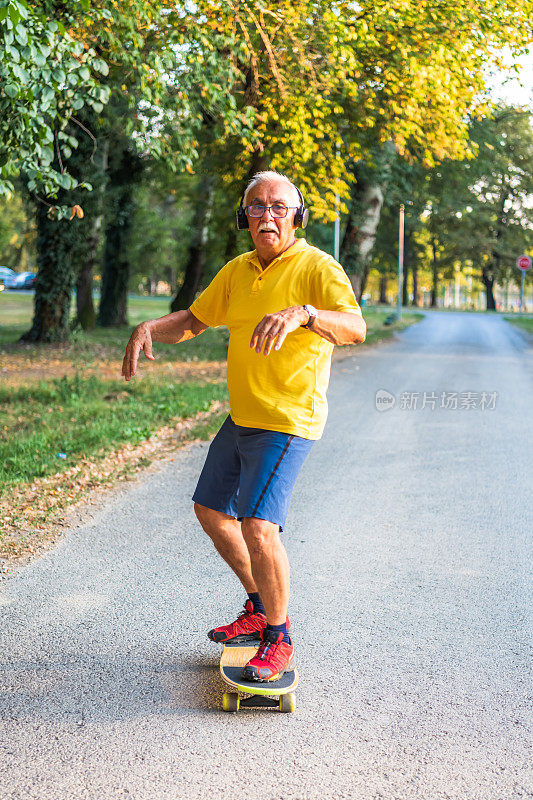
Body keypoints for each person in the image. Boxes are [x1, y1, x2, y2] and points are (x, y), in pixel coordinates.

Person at [122, 171, 366, 681]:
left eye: (279, 207)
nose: (268, 215)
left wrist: (305, 314)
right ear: (244, 217)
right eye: (257, 207)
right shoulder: (237, 270)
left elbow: (355, 327)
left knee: (258, 525)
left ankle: (279, 635)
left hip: (286, 420)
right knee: (211, 511)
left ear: (297, 216)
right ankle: (258, 605)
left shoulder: (318, 268)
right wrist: (149, 328)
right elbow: (194, 320)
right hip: (242, 416)